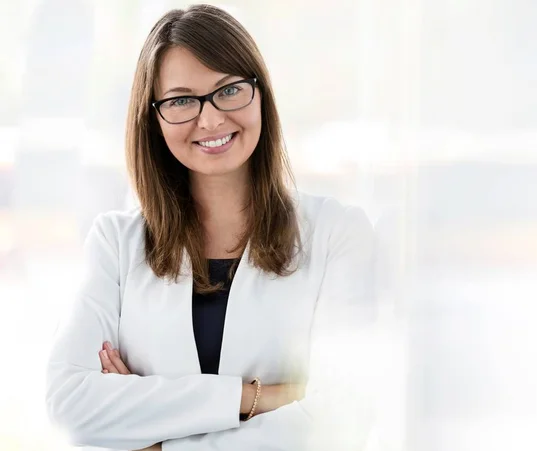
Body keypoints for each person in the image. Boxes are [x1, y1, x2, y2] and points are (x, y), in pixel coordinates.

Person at [45, 4, 376, 451]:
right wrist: (257, 398)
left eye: (229, 90)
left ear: (260, 93)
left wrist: (156, 440)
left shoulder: (339, 232)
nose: (211, 119)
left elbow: (345, 415)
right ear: (153, 117)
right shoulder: (115, 244)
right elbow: (69, 405)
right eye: (182, 100)